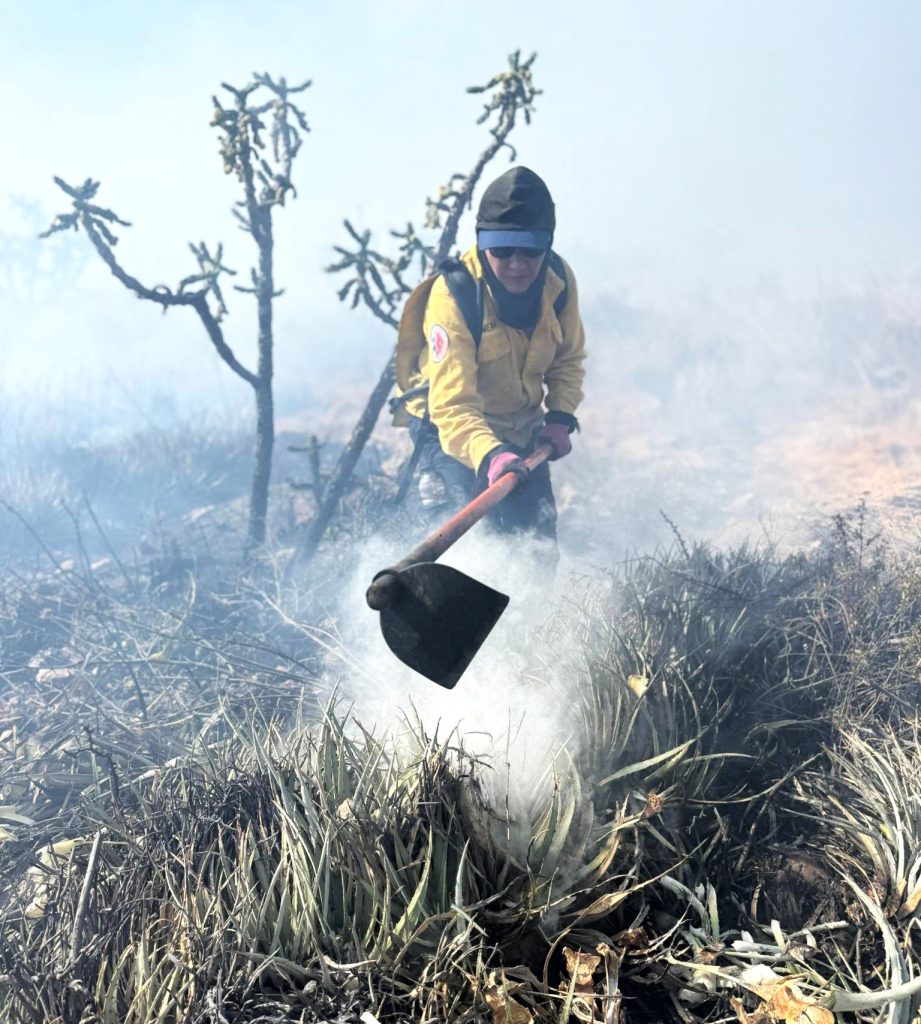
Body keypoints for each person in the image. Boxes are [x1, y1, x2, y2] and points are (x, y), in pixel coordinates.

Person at [395, 166, 586, 553]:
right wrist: (491, 456)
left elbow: (568, 358)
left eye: (530, 251)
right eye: (502, 251)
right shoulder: (455, 295)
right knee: (463, 554)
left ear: (547, 246)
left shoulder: (559, 282)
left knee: (537, 549)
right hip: (449, 433)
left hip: (521, 430)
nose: (517, 264)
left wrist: (560, 416)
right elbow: (452, 406)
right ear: (483, 244)